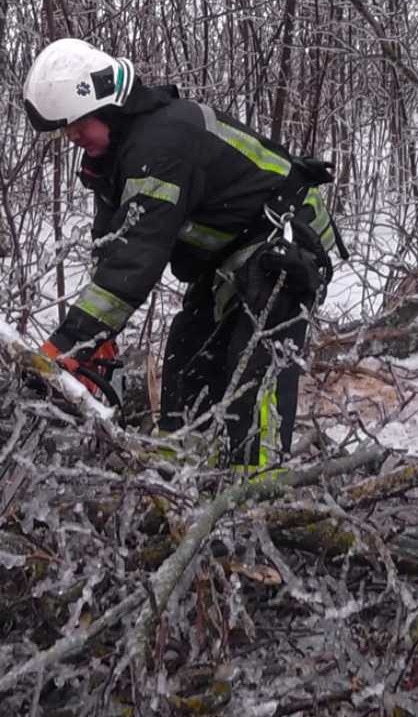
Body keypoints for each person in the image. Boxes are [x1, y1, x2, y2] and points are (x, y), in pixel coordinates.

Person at [21, 38, 339, 467]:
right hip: (232, 257)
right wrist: (98, 339)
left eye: (77, 124)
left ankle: (259, 496)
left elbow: (138, 258)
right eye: (66, 130)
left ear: (107, 106)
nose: (73, 136)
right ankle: (180, 479)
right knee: (186, 361)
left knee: (253, 370)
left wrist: (69, 344)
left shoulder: (163, 142)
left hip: (286, 241)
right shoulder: (114, 162)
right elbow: (113, 250)